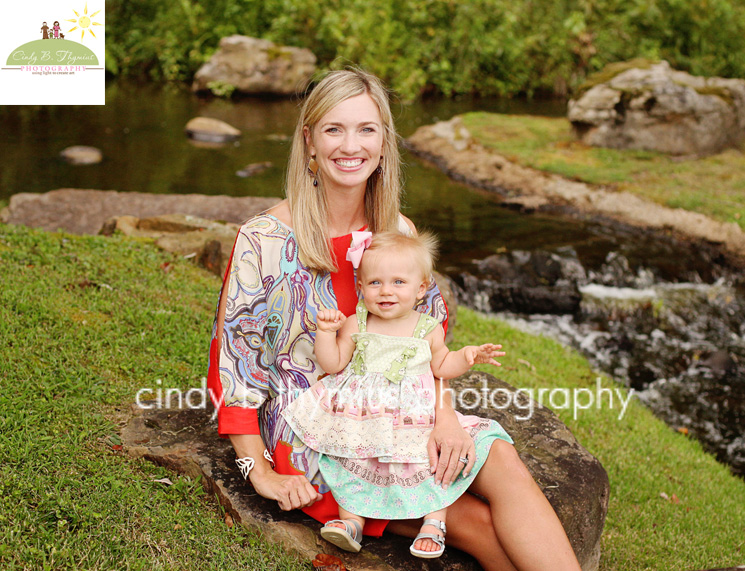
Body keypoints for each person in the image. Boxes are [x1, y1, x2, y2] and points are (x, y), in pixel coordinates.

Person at [208, 68, 581, 570]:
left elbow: (426, 346)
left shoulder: (396, 231)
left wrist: (446, 419)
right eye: (334, 129)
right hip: (322, 432)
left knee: (502, 462)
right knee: (474, 523)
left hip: (406, 414)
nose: (351, 145)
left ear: (384, 143)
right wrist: (260, 473)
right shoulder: (264, 241)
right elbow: (235, 370)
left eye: (367, 129)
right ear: (309, 141)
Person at [281, 231, 508, 558]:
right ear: (361, 287)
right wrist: (326, 334)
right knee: (353, 458)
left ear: (420, 288)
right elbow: (333, 363)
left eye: (398, 282)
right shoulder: (355, 323)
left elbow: (442, 364)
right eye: (375, 283)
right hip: (361, 413)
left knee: (427, 460)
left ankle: (433, 522)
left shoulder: (427, 327)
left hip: (411, 414)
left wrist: (467, 356)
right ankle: (352, 521)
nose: (386, 291)